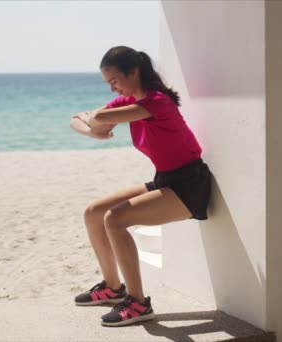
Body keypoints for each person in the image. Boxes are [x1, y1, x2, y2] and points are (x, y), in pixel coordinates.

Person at [69, 46, 212, 327]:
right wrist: (93, 131)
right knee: (93, 212)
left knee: (115, 219)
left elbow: (99, 118)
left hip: (189, 184)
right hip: (165, 180)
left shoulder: (156, 103)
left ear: (133, 72)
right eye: (108, 84)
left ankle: (138, 303)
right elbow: (76, 120)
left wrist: (96, 120)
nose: (112, 89)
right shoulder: (128, 102)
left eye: (114, 81)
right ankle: (112, 288)